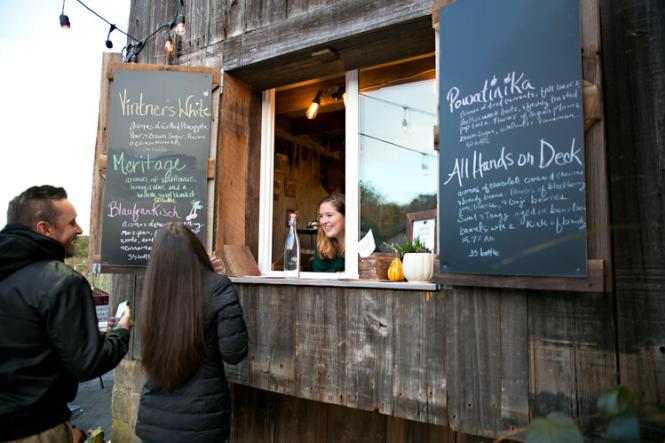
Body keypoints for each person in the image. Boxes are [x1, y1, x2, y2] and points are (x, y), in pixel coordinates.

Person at [0, 185, 132, 442]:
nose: (80, 230)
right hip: (33, 428)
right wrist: (121, 332)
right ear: (44, 229)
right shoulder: (62, 282)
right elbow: (88, 363)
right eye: (72, 222)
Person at [135, 222, 248, 443]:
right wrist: (218, 282)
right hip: (201, 421)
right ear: (197, 251)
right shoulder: (218, 287)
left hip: (153, 420)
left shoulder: (153, 291)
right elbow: (234, 353)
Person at [313, 193, 345, 272]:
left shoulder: (360, 241)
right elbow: (319, 275)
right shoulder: (322, 243)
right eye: (321, 216)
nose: (323, 221)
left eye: (329, 215)